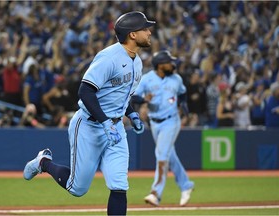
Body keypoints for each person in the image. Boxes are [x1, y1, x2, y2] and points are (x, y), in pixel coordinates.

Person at [23, 11, 155, 215]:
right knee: (77, 188)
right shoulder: (109, 57)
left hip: (116, 127)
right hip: (89, 125)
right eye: (145, 28)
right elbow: (85, 90)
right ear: (132, 34)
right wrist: (104, 122)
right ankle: (43, 163)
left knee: (119, 184)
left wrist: (132, 114)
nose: (149, 32)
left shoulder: (136, 61)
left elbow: (120, 95)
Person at [132, 50, 194, 207]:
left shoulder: (176, 79)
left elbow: (183, 93)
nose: (172, 64)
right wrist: (144, 100)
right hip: (154, 122)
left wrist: (184, 105)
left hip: (171, 121)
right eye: (169, 62)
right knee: (169, 155)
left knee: (161, 155)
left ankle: (156, 193)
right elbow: (134, 96)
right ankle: (186, 185)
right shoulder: (147, 79)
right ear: (160, 65)